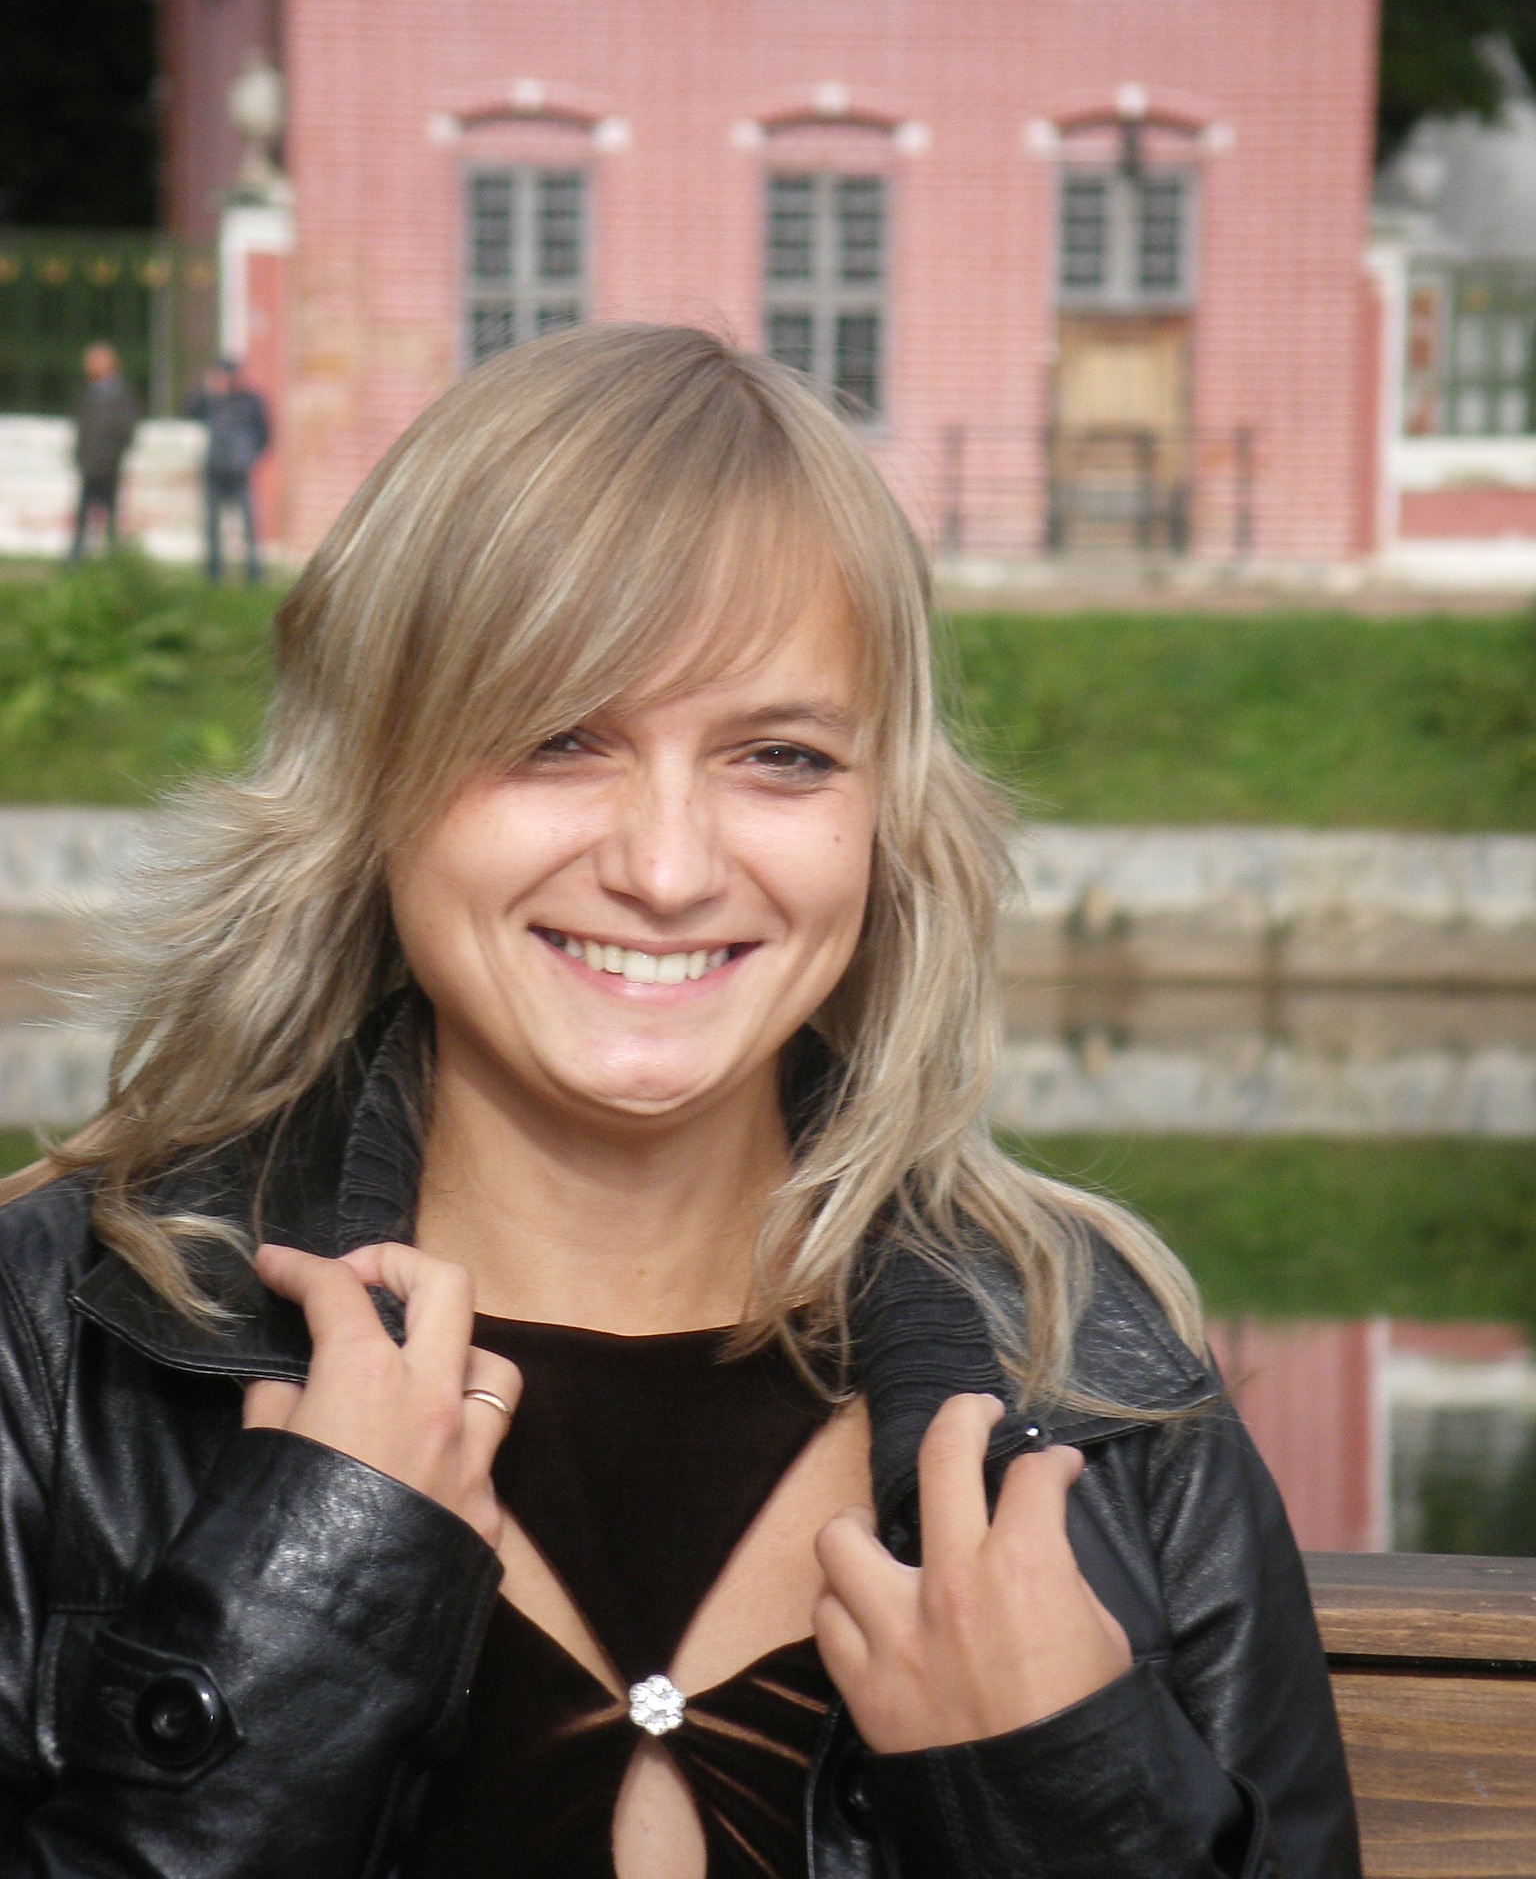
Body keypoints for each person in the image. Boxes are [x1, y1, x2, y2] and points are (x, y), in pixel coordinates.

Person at [0, 326, 1359, 1878]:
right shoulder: (54, 1345)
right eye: (556, 740)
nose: (666, 868)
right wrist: (297, 1633)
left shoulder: (1096, 1372)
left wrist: (1060, 1797)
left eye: (781, 756)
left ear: (887, 818)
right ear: (372, 779)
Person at [185, 356, 270, 582]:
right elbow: (190, 412)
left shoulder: (250, 401)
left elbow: (264, 434)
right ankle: (214, 571)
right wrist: (207, 391)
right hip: (214, 469)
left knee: (249, 523)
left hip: (239, 471)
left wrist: (249, 457)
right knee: (213, 523)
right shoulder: (211, 400)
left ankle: (253, 570)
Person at [68, 342, 139, 560]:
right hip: (89, 465)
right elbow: (82, 428)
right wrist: (80, 456)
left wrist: (112, 454)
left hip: (108, 465)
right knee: (83, 514)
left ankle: (113, 558)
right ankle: (77, 557)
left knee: (111, 514)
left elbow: (127, 429)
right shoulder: (89, 394)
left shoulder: (121, 394)